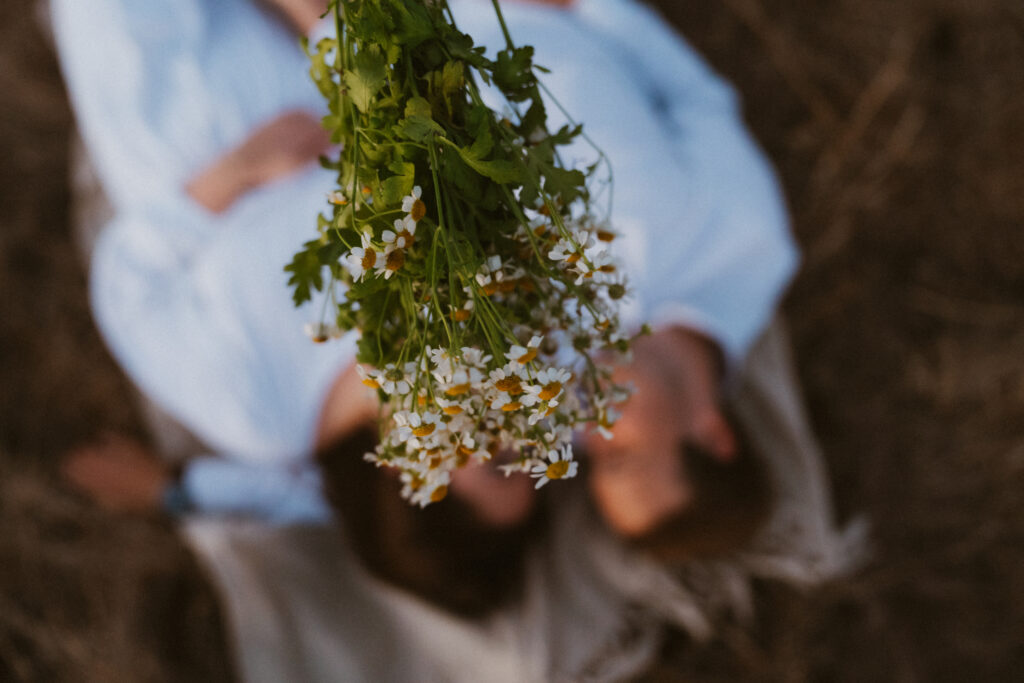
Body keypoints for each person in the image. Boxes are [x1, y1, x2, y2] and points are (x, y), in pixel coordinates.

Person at [52, 0, 863, 679]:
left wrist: (178, 490)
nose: (579, 430)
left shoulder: (392, 386)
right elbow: (694, 101)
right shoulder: (726, 256)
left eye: (594, 460)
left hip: (202, 109)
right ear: (712, 430)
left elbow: (324, 497)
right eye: (618, 452)